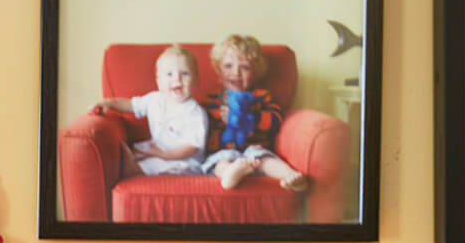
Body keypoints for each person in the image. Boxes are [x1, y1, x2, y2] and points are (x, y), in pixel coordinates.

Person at [202, 34, 307, 192]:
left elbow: (276, 119)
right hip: (223, 152)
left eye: (244, 67)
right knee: (220, 163)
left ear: (255, 72)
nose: (236, 73)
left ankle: (290, 176)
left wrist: (251, 121)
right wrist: (222, 119)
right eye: (228, 66)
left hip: (254, 150)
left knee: (266, 159)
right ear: (218, 70)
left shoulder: (261, 97)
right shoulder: (212, 102)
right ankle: (230, 174)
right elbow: (201, 130)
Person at [92, 45, 207, 175]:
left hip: (185, 159)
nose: (177, 78)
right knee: (139, 150)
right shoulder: (155, 99)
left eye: (184, 73)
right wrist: (109, 103)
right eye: (169, 74)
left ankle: (135, 169)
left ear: (196, 79)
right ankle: (126, 163)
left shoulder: (195, 113)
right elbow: (131, 105)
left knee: (163, 164)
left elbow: (192, 146)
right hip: (159, 149)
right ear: (158, 81)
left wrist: (165, 155)